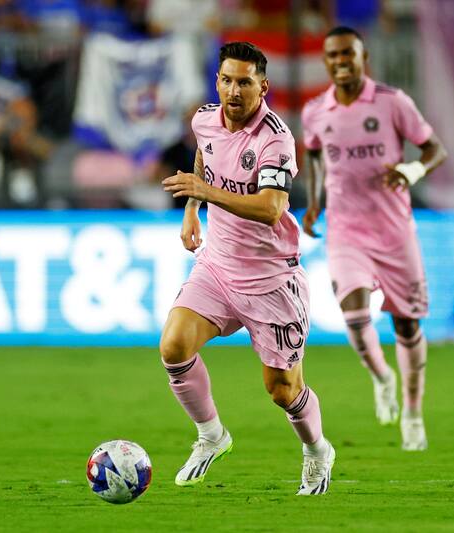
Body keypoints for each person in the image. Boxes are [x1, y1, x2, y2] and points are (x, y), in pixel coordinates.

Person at [160, 41, 335, 496]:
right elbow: (204, 155)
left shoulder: (274, 138)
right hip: (218, 266)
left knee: (281, 390)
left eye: (244, 82)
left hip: (270, 280)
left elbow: (272, 208)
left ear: (263, 87)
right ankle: (212, 436)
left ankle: (317, 451)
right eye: (226, 80)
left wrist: (206, 192)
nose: (233, 90)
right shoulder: (204, 118)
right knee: (174, 344)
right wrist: (192, 210)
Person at [300, 26, 447, 451]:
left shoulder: (392, 103)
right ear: (326, 61)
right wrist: (314, 202)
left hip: (394, 230)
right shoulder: (316, 111)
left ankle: (414, 412)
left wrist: (412, 170)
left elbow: (435, 149)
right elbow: (312, 152)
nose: (340, 61)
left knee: (406, 323)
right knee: (353, 311)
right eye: (332, 55)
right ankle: (382, 377)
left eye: (348, 53)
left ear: (364, 57)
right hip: (346, 229)